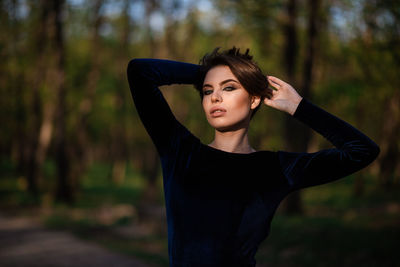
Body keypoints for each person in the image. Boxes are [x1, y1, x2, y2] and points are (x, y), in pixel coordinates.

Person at [126, 47, 380, 267]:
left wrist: (299, 107)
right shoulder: (180, 152)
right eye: (206, 90)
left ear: (254, 98)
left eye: (229, 87)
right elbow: (140, 71)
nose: (215, 96)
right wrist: (212, 73)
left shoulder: (276, 169)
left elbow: (362, 151)